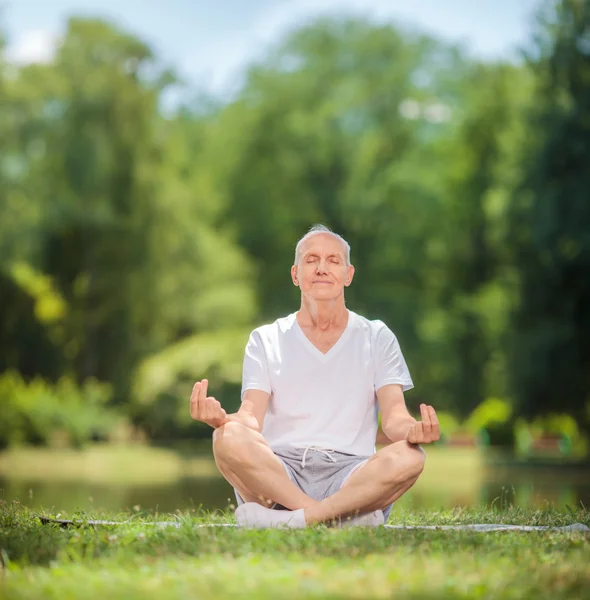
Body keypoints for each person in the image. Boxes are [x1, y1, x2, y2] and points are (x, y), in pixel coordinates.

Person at [190, 225, 440, 528]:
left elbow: (395, 419)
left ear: (348, 274)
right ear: (296, 274)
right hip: (280, 475)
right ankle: (335, 518)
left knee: (411, 458)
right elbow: (250, 419)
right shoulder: (266, 338)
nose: (322, 268)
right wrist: (222, 420)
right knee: (226, 438)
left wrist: (413, 431)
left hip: (352, 475)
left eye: (333, 261)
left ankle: (290, 521)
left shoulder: (377, 336)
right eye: (311, 260)